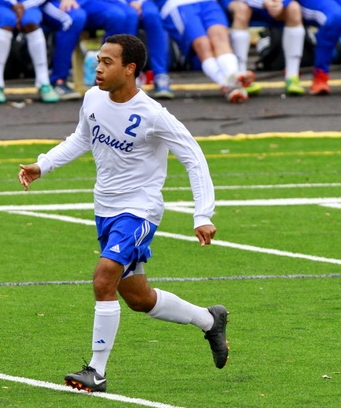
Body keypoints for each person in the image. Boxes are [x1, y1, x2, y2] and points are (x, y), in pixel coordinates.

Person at [17, 34, 229, 393]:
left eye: (107, 62)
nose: (98, 68)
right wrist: (44, 165)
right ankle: (210, 321)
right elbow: (82, 138)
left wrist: (202, 214)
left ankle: (96, 372)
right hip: (106, 209)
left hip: (139, 210)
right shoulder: (92, 99)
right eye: (97, 60)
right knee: (138, 298)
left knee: (103, 280)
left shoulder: (153, 114)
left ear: (130, 69)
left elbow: (193, 156)